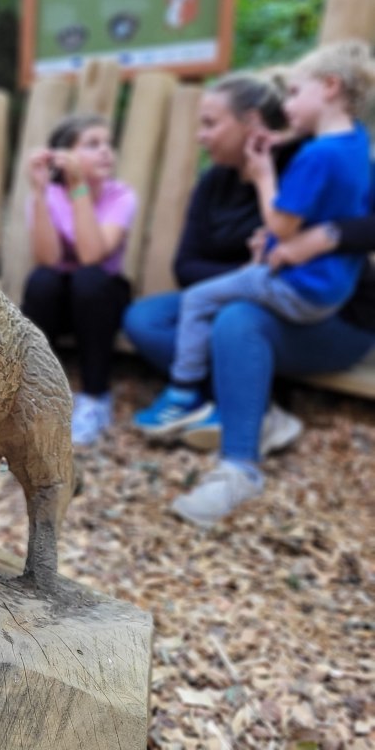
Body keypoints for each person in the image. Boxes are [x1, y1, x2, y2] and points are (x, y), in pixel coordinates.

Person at [123, 55, 375, 527]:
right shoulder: (215, 181)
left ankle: (239, 465)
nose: (201, 135)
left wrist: (326, 236)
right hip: (266, 283)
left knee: (235, 317)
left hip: (334, 312)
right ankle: (255, 404)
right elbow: (186, 266)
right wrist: (258, 261)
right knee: (145, 317)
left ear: (253, 123)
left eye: (211, 123)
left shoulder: (315, 156)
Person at [21, 113, 137, 445]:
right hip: (60, 300)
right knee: (42, 280)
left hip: (102, 300)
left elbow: (92, 256)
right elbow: (48, 259)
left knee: (89, 278)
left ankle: (96, 397)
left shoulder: (121, 196)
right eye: (92, 144)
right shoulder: (47, 196)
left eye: (108, 144)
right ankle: (33, 392)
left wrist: (78, 189)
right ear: (63, 156)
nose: (106, 152)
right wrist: (41, 194)